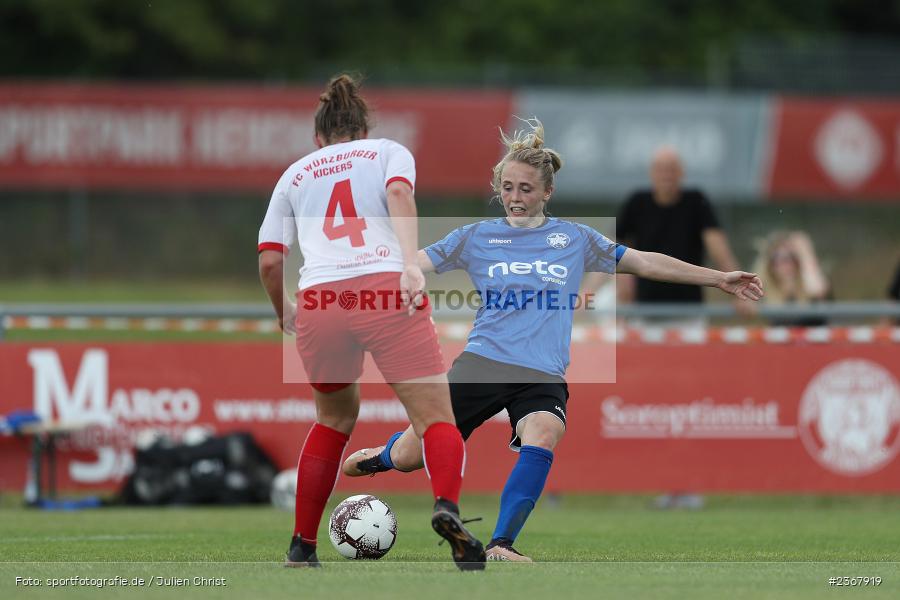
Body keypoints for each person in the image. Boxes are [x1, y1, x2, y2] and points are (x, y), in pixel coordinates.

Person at [340, 118, 763, 562]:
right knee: (412, 455)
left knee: (543, 432)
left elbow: (646, 263)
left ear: (546, 193)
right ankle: (385, 456)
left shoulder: (575, 238)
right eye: (507, 187)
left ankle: (501, 543)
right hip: (483, 362)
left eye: (525, 188)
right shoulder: (475, 236)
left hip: (542, 371)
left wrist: (718, 279)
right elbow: (412, 264)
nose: (515, 198)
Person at [257, 74, 485, 570]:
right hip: (383, 290)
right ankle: (447, 509)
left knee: (333, 420)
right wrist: (409, 264)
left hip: (319, 301)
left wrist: (283, 312)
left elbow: (271, 261)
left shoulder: (295, 174)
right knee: (435, 418)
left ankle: (302, 545)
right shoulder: (386, 151)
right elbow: (400, 195)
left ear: (318, 138)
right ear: (362, 130)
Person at [586, 146, 741, 317]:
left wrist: (734, 287)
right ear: (651, 173)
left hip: (688, 308)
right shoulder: (637, 203)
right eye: (661, 170)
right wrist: (587, 294)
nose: (666, 175)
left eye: (671, 169)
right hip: (643, 308)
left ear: (682, 173)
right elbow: (611, 251)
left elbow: (719, 249)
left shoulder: (696, 202)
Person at [751, 230, 831, 326]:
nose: (786, 265)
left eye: (791, 257)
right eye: (777, 258)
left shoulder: (809, 284)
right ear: (769, 265)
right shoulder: (764, 289)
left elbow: (818, 290)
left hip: (814, 340)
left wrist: (805, 253)